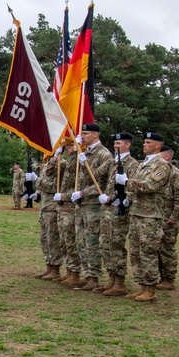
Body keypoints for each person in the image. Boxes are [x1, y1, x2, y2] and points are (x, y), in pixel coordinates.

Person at [119, 132, 169, 302]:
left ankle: (150, 287)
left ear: (158, 146)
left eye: (148, 142)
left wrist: (126, 182)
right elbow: (136, 188)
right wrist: (127, 198)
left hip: (151, 215)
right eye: (144, 142)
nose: (144, 144)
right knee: (135, 252)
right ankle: (142, 285)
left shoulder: (162, 165)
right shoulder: (143, 164)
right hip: (137, 212)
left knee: (148, 251)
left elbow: (150, 185)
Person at [95, 132, 140, 296]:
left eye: (119, 144)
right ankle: (111, 278)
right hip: (107, 209)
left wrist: (126, 200)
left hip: (120, 211)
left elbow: (134, 187)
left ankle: (120, 281)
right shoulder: (112, 162)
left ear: (128, 145)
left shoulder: (133, 164)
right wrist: (84, 158)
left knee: (116, 244)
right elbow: (95, 174)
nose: (116, 146)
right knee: (104, 244)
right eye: (114, 144)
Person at [70, 123, 113, 290]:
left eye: (86, 133)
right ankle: (87, 274)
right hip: (81, 204)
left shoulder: (104, 154)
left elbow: (101, 182)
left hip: (93, 204)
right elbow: (72, 172)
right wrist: (76, 152)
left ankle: (94, 277)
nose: (83, 136)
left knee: (91, 241)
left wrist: (83, 193)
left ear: (96, 135)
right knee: (80, 240)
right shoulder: (84, 152)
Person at [52, 142, 82, 286]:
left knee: (71, 240)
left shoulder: (78, 160)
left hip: (70, 205)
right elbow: (50, 172)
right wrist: (56, 155)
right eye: (66, 146)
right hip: (62, 206)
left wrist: (63, 196)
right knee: (64, 241)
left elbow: (78, 186)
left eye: (71, 145)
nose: (68, 148)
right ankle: (69, 270)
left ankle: (75, 272)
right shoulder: (68, 160)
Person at [156, 146, 179, 291]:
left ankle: (169, 278)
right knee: (157, 249)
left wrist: (174, 218)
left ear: (166, 157)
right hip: (158, 217)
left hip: (169, 220)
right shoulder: (160, 173)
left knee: (167, 249)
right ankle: (161, 276)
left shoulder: (175, 174)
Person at [34, 160, 62, 280]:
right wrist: (36, 194)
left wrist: (37, 180)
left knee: (52, 239)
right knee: (44, 239)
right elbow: (43, 186)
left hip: (52, 207)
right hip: (44, 206)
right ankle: (49, 266)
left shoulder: (61, 164)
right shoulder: (47, 164)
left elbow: (53, 186)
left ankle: (55, 268)